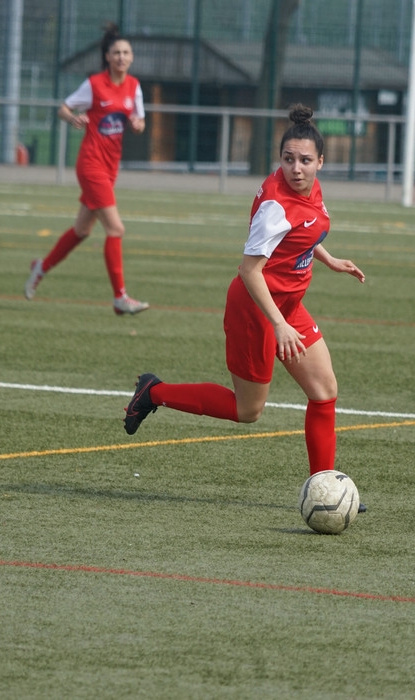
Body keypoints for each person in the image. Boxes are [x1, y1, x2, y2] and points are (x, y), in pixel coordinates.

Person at [123, 105, 367, 493]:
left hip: (286, 307)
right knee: (247, 410)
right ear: (280, 160)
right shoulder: (275, 205)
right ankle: (154, 392)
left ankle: (324, 487)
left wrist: (330, 259)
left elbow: (302, 234)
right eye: (288, 160)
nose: (296, 168)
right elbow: (249, 271)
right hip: (256, 309)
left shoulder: (309, 190)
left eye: (305, 160)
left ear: (321, 161)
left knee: (324, 392)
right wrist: (279, 324)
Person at [24, 23, 149, 316]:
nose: (121, 57)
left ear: (131, 57)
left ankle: (40, 268)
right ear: (107, 56)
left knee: (82, 230)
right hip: (91, 164)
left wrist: (137, 125)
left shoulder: (133, 86)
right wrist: (73, 119)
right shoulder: (94, 84)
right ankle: (120, 297)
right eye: (116, 52)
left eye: (126, 52)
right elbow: (63, 108)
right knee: (116, 228)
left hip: (110, 167)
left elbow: (140, 122)